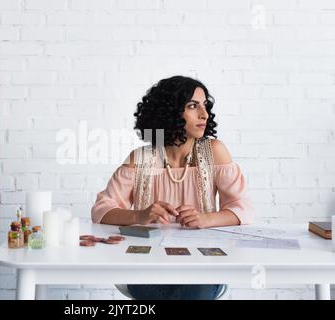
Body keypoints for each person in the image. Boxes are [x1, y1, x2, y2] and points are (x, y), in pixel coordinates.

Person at [91, 76, 254, 300]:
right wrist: (141, 214)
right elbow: (102, 211)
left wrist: (206, 219)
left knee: (195, 289)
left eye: (205, 105)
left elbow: (242, 209)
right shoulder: (141, 158)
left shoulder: (214, 151)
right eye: (192, 106)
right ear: (170, 111)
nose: (204, 114)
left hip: (202, 266)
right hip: (151, 267)